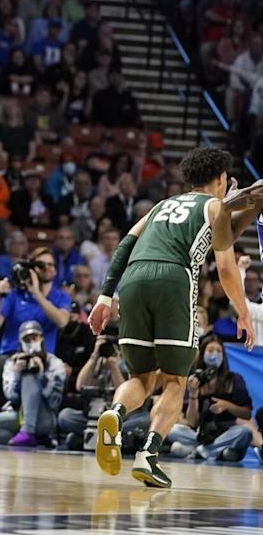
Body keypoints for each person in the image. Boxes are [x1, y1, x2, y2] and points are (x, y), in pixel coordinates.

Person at [88, 147, 258, 489]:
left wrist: (105, 296)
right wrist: (243, 313)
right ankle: (148, 458)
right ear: (222, 179)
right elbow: (225, 266)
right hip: (174, 280)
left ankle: (115, 414)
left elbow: (124, 245)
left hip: (132, 281)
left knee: (142, 377)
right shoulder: (215, 206)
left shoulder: (161, 206)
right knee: (176, 381)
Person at [0, 247, 71, 418]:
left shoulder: (60, 296)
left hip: (44, 359)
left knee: (58, 372)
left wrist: (37, 294)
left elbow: (62, 321)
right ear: (32, 268)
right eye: (42, 265)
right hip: (11, 357)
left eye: (51, 265)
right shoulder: (15, 295)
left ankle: (45, 422)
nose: (48, 268)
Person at [0, 321, 67, 446]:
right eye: (27, 339)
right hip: (18, 415)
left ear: (42, 339)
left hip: (45, 417)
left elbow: (54, 401)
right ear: (20, 342)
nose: (31, 343)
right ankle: (33, 439)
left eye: (34, 338)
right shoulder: (12, 363)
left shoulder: (55, 363)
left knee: (29, 375)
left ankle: (28, 432)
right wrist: (17, 374)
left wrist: (41, 375)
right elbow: (11, 397)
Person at [166, 335, 254, 461]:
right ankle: (215, 452)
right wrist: (193, 395)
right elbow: (191, 422)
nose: (215, 354)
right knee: (173, 430)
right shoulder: (195, 380)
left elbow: (247, 414)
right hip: (202, 434)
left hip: (227, 432)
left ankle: (200, 451)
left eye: (219, 351)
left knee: (245, 432)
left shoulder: (234, 379)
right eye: (211, 350)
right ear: (203, 354)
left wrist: (227, 406)